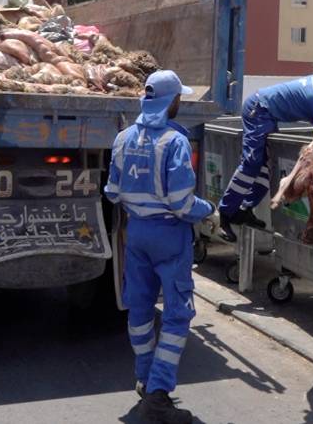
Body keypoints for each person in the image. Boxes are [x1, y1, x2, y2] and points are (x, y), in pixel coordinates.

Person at [104, 70, 214, 424]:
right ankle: (159, 394)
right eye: (180, 97)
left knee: (139, 309)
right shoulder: (175, 141)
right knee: (178, 315)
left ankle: (145, 379)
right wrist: (208, 211)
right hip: (169, 235)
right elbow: (183, 203)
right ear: (172, 101)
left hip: (136, 233)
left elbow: (113, 191)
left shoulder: (122, 138)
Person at [217, 75, 313, 241]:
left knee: (265, 168)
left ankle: (244, 210)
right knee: (252, 164)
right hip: (258, 109)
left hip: (268, 114)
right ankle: (224, 215)